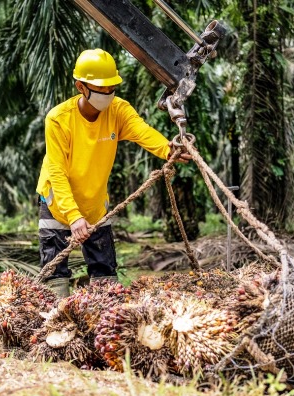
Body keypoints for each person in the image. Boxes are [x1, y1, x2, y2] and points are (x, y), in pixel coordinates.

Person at [36, 48, 191, 297]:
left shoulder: (118, 110)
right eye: (102, 88)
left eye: (112, 87)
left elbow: (142, 131)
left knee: (105, 275)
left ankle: (103, 328)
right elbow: (56, 171)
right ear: (80, 86)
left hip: (96, 206)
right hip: (58, 205)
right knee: (55, 280)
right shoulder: (58, 120)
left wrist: (167, 149)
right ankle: (57, 330)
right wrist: (74, 216)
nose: (108, 94)